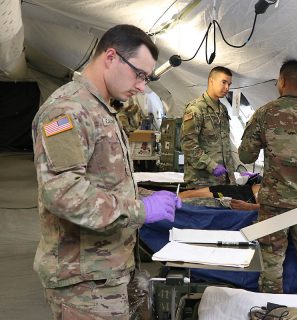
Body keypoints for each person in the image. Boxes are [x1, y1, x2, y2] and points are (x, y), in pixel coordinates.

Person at [31, 24, 181, 319]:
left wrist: (150, 196)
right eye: (139, 74)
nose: (142, 86)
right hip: (83, 282)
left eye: (146, 78)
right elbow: (63, 194)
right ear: (111, 56)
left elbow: (106, 182)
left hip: (107, 271)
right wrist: (140, 210)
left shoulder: (102, 110)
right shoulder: (66, 111)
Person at [238, 59, 297, 295]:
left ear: (281, 81)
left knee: (272, 261)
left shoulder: (264, 114)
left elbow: (245, 154)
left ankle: (273, 312)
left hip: (274, 204)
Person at [180, 66, 236, 188]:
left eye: (229, 84)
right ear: (211, 80)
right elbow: (188, 145)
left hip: (224, 180)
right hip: (202, 181)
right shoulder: (196, 109)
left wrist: (231, 173)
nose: (227, 88)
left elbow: (224, 144)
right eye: (224, 82)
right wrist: (212, 165)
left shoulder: (223, 109)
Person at [180, 179, 297, 211]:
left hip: (245, 199)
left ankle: (155, 202)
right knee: (187, 193)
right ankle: (154, 198)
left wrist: (249, 206)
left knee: (190, 200)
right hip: (244, 189)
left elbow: (281, 210)